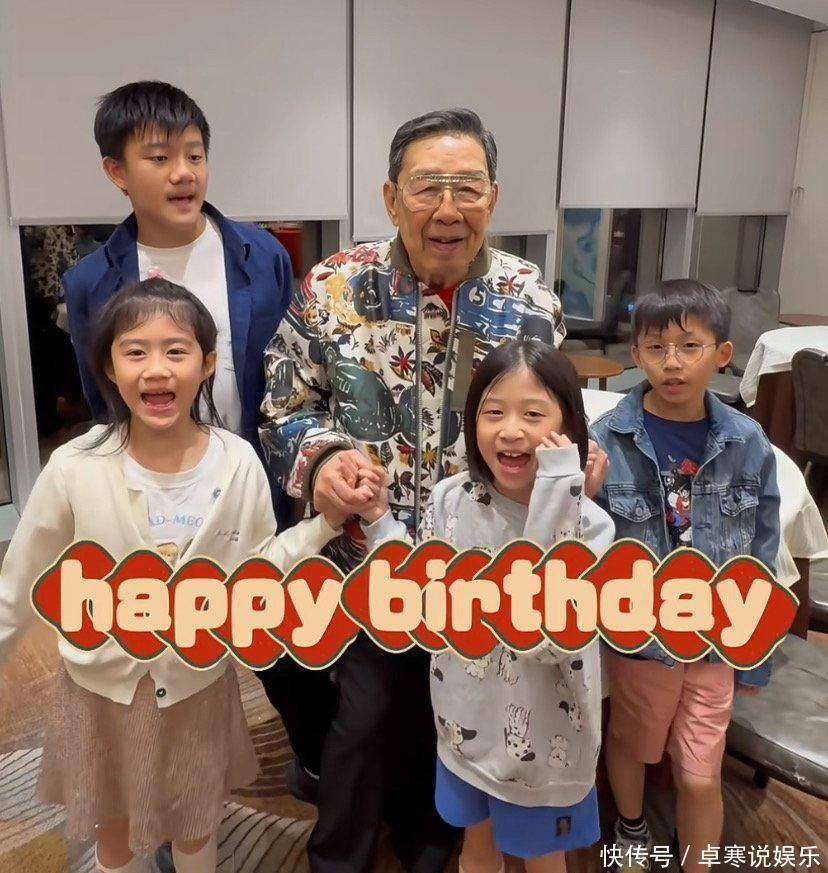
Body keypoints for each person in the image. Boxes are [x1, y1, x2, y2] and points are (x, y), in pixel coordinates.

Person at [258, 108, 566, 873]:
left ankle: (430, 839)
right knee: (365, 719)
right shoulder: (333, 287)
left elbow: (546, 416)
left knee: (457, 718)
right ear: (392, 199)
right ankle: (341, 855)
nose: (448, 209)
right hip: (368, 559)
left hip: (479, 565)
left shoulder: (528, 298)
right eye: (428, 187)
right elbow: (285, 405)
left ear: (494, 198)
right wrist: (325, 461)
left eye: (468, 188)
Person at [0, 279, 347, 873]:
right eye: (135, 351)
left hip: (195, 685)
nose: (156, 369)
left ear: (207, 364)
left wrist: (323, 527)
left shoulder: (237, 461)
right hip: (103, 689)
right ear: (108, 367)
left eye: (176, 351)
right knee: (115, 831)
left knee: (194, 823)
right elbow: (22, 577)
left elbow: (259, 568)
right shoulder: (75, 467)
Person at [357, 339, 614, 873]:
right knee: (476, 847)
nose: (511, 430)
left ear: (568, 429)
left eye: (534, 414)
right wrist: (381, 522)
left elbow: (543, 629)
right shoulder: (452, 498)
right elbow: (415, 591)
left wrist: (559, 489)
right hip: (464, 725)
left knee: (543, 860)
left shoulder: (589, 526)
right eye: (493, 412)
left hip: (544, 745)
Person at [589, 280, 781, 873]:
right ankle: (631, 824)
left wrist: (754, 649)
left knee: (700, 774)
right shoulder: (608, 439)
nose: (671, 363)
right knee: (633, 744)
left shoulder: (747, 441)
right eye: (655, 348)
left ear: (722, 354)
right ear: (636, 355)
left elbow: (762, 551)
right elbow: (584, 545)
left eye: (689, 347)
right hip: (640, 642)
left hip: (715, 642)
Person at [62, 80, 292, 511]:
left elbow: (287, 380)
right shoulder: (90, 283)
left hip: (253, 480)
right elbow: (104, 398)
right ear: (117, 172)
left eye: (194, 155)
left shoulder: (263, 257)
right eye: (159, 158)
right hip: (147, 490)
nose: (184, 172)